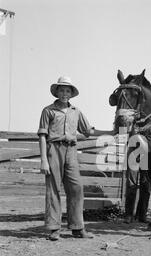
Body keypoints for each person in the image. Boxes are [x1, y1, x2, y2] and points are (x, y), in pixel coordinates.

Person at [38, 76, 113, 241]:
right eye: (62, 90)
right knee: (53, 189)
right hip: (53, 150)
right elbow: (42, 136)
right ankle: (53, 228)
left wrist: (112, 132)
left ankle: (77, 227)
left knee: (77, 188)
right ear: (56, 91)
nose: (64, 93)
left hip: (71, 150)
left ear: (71, 93)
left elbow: (89, 131)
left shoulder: (76, 111)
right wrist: (43, 159)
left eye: (67, 90)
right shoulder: (48, 111)